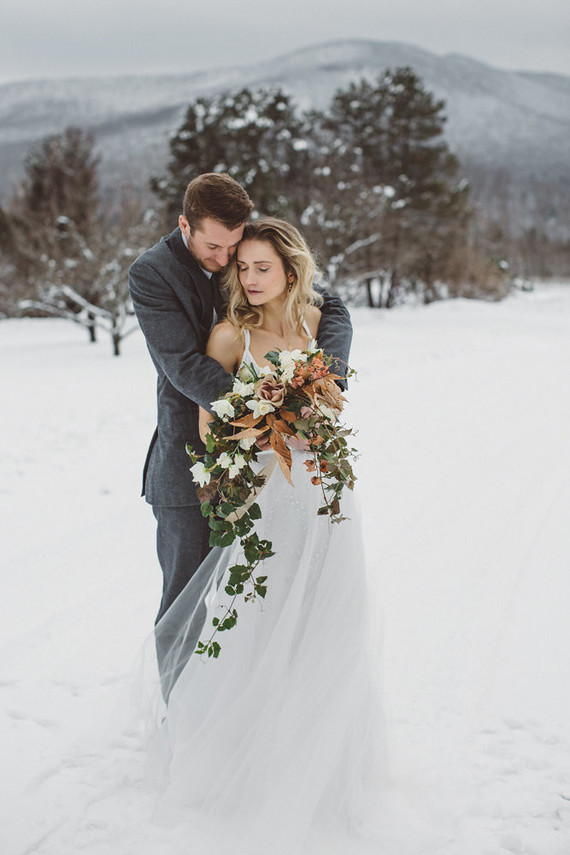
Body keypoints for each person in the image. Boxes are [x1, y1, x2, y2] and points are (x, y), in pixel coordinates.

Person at [147, 219, 385, 855]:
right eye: (241, 269)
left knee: (326, 615)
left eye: (261, 268)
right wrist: (262, 423)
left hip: (327, 495)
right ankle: (245, 754)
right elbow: (209, 424)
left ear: (289, 269)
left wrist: (310, 405)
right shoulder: (231, 334)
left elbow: (334, 402)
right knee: (260, 612)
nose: (249, 280)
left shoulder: (318, 325)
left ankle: (320, 753)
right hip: (266, 496)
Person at [128, 173, 353, 683]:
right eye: (214, 247)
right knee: (187, 604)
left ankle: (251, 717)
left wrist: (321, 377)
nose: (228, 260)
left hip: (275, 476)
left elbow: (329, 304)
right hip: (191, 466)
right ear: (185, 225)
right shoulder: (152, 273)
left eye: (235, 245)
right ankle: (181, 724)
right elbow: (185, 366)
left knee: (270, 595)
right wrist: (277, 407)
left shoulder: (249, 253)